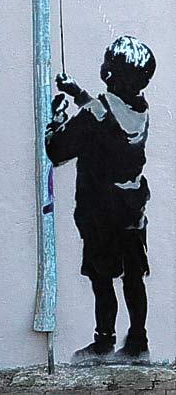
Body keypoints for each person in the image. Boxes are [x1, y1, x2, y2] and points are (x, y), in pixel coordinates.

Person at [46, 35, 156, 364]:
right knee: (133, 277)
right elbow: (106, 115)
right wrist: (78, 92)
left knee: (102, 277)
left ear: (111, 74)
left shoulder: (98, 115)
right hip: (132, 207)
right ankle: (137, 340)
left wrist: (56, 118)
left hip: (101, 211)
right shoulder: (139, 109)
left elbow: (58, 149)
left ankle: (104, 341)